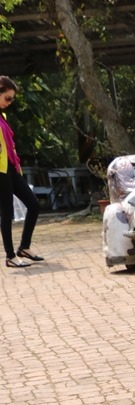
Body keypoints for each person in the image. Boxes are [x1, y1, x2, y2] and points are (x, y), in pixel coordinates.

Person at [0, 76, 42, 268]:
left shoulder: (3, 116)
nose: (9, 103)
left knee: (33, 204)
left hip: (10, 168)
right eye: (7, 98)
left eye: (11, 100)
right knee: (6, 213)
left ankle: (24, 247)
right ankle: (10, 256)